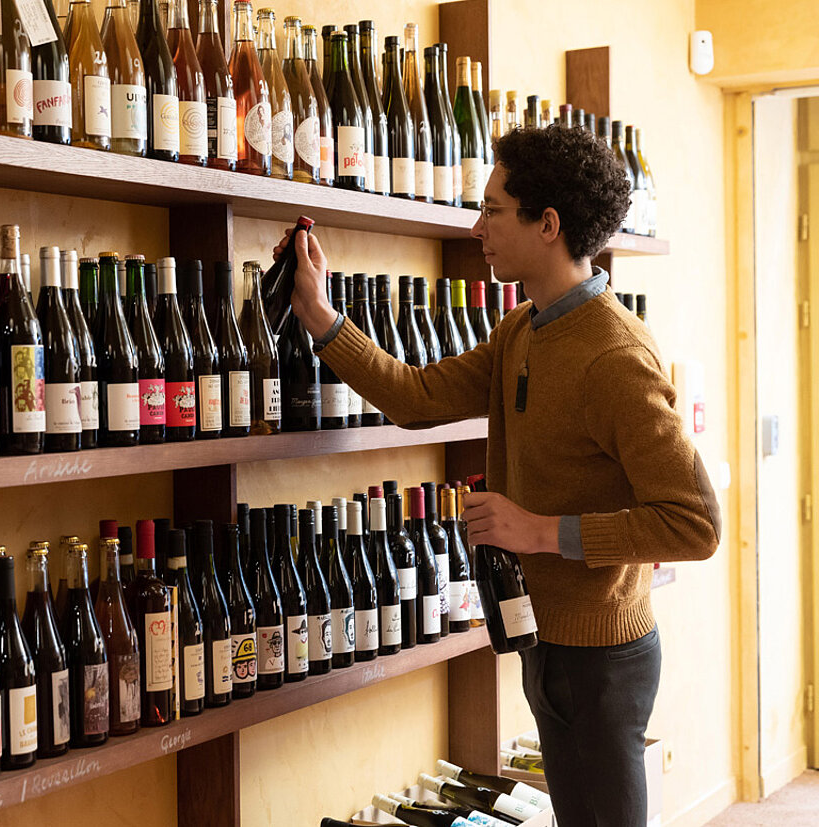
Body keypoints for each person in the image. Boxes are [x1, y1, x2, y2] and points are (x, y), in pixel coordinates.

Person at [280, 124, 720, 827]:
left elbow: (695, 524)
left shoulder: (615, 356)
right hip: (544, 639)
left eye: (492, 209)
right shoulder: (524, 328)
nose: (476, 225)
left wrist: (537, 531)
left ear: (547, 224)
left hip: (604, 659)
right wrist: (321, 315)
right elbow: (416, 396)